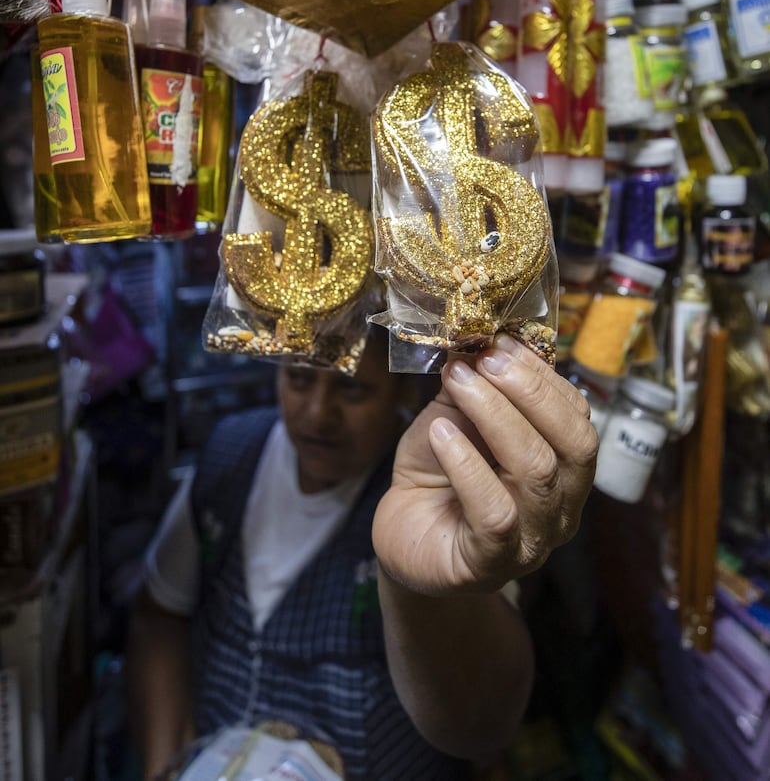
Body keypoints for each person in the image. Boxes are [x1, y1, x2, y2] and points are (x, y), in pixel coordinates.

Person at [128, 329, 598, 780]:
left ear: (403, 393)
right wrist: (162, 764)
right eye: (299, 378)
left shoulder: (446, 492)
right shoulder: (228, 455)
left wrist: (417, 587)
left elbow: (482, 726)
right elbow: (159, 617)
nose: (318, 415)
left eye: (352, 389)